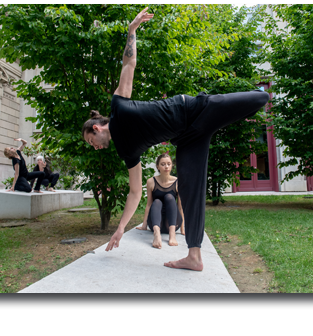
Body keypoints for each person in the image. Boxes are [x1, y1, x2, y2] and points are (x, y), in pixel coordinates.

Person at [81, 8, 270, 271]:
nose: (95, 147)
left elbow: (128, 64)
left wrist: (131, 31)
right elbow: (136, 192)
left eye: (91, 140)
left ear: (97, 127)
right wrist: (121, 228)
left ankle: (252, 116)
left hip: (195, 109)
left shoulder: (118, 106)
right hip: (187, 139)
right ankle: (194, 257)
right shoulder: (125, 150)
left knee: (260, 98)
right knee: (191, 192)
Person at [136, 153, 185, 249]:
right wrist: (144, 225)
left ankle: (172, 235)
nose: (166, 166)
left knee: (170, 197)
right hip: (155, 222)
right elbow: (149, 204)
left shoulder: (178, 182)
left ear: (172, 165)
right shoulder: (151, 181)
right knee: (157, 201)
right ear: (158, 166)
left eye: (168, 164)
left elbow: (180, 206)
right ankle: (157, 235)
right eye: (163, 164)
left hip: (172, 222)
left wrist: (182, 229)